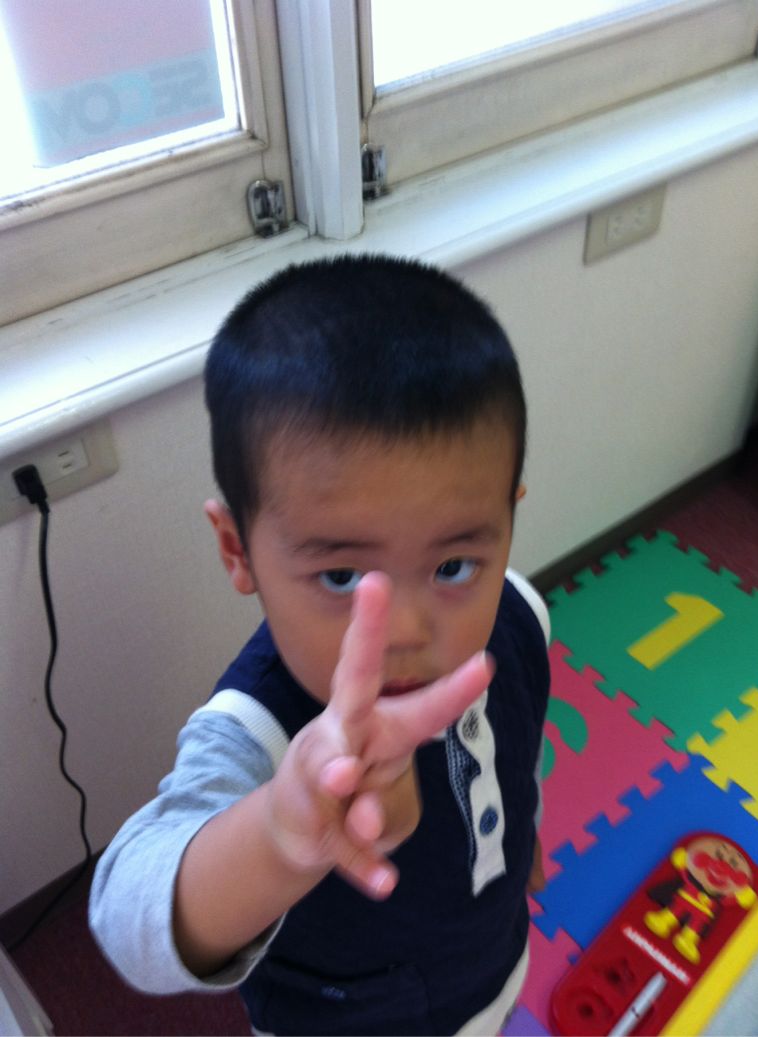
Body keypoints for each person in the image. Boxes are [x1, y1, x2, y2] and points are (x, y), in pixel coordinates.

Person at [89, 254, 551, 1035]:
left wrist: (525, 836)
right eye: (341, 576)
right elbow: (126, 914)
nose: (405, 630)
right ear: (237, 549)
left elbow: (518, 753)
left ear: (506, 520)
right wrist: (277, 829)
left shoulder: (520, 615)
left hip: (494, 965)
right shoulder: (253, 728)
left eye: (452, 565)